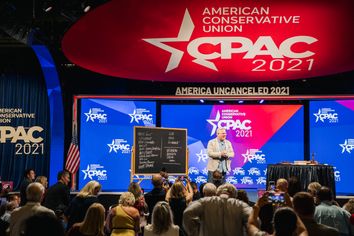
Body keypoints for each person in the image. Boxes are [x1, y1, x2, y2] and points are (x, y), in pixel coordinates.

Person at [183, 183, 251, 236]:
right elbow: (254, 220)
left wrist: (196, 233)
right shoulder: (240, 205)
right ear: (234, 195)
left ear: (217, 193)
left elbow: (187, 213)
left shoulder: (204, 202)